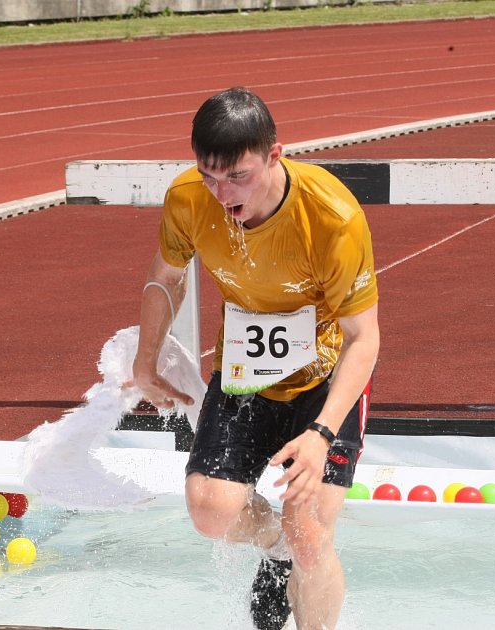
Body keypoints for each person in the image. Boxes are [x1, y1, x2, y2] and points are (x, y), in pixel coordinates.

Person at [132, 87, 379, 630]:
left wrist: (319, 433)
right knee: (210, 512)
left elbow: (365, 339)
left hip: (324, 381)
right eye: (209, 176)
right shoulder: (188, 199)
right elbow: (167, 276)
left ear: (274, 155)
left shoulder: (332, 218)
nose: (222, 194)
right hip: (246, 375)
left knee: (310, 533)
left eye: (237, 177)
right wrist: (144, 362)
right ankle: (275, 549)